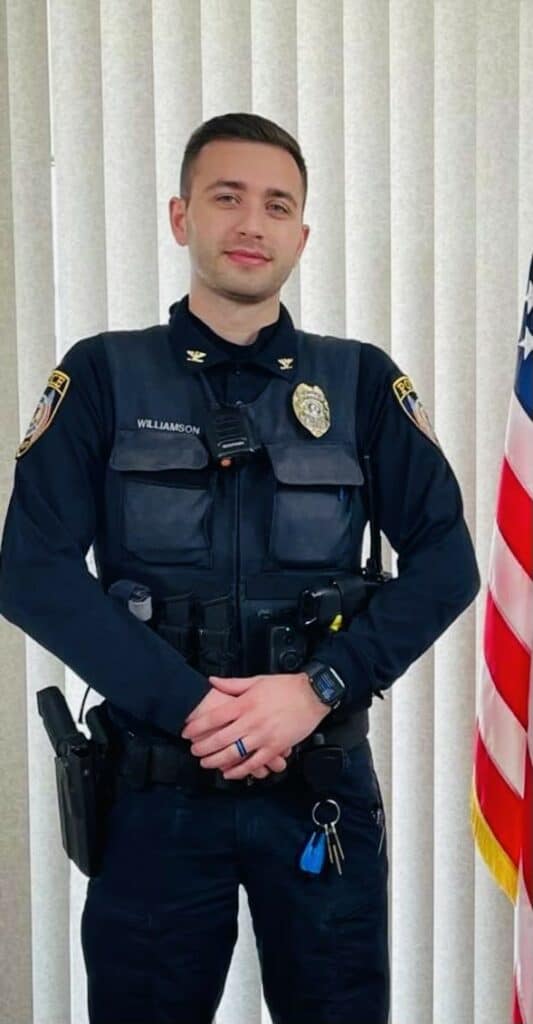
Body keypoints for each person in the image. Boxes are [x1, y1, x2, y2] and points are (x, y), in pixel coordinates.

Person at [0, 111, 480, 1024]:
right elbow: (33, 571)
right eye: (227, 197)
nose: (252, 223)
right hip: (155, 790)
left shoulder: (359, 383)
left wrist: (316, 688)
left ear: (302, 233)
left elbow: (445, 563)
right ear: (181, 216)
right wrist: (191, 707)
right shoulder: (102, 375)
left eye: (277, 205)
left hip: (317, 786)